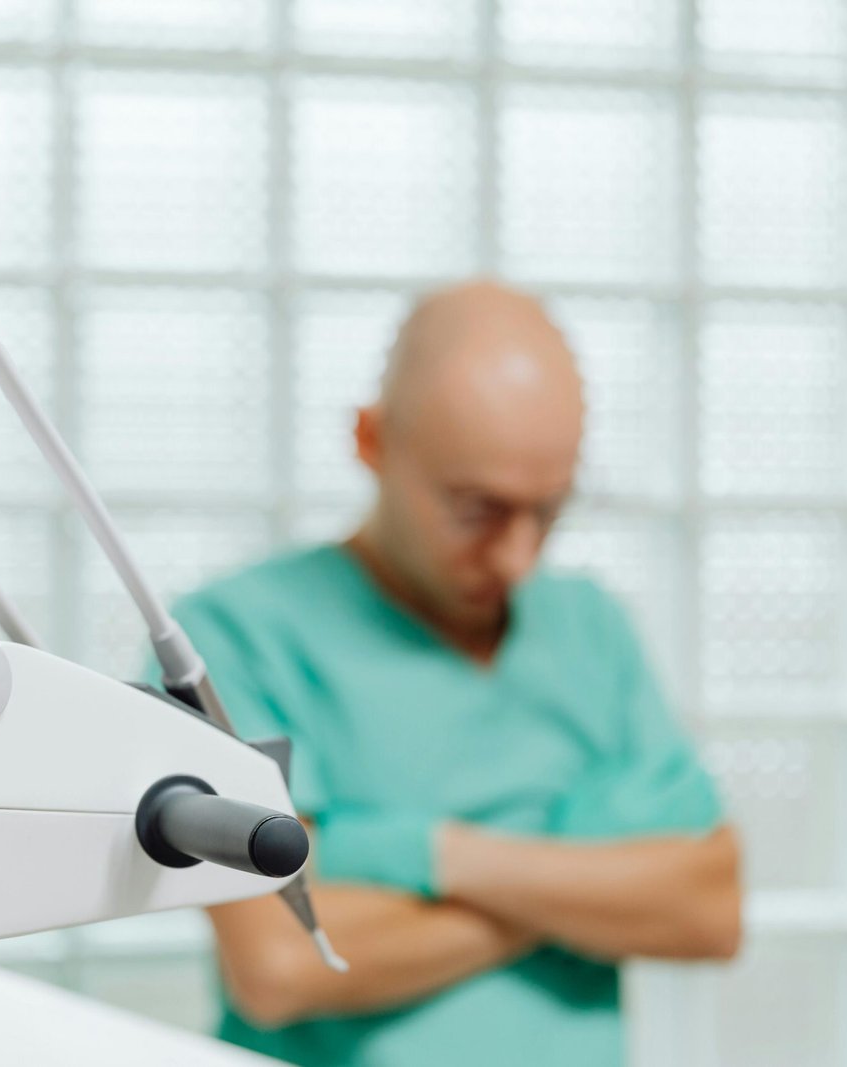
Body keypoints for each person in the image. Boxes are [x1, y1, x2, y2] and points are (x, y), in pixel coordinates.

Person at [167, 281, 741, 1067]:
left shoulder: (591, 628)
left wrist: (418, 851)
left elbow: (708, 906)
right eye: (478, 510)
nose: (519, 557)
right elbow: (280, 964)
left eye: (549, 510)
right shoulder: (229, 638)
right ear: (372, 440)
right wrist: (582, 877)